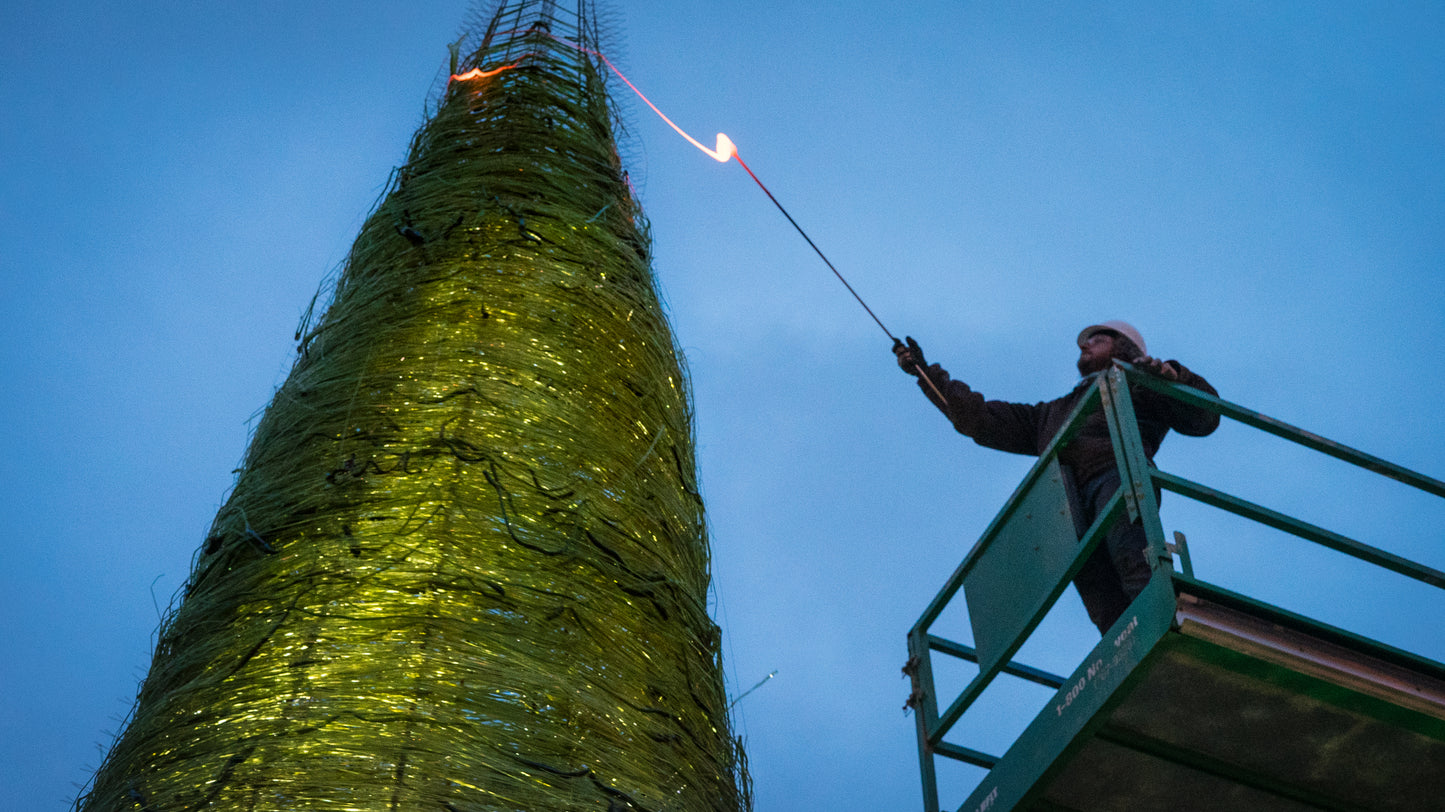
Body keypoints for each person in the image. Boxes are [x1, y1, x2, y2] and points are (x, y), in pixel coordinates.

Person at [893, 321, 1219, 634]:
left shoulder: (1141, 386)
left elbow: (1204, 416)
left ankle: (1163, 625)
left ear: (1124, 349)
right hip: (1068, 508)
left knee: (1134, 564)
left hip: (1118, 477)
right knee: (1102, 604)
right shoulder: (1051, 414)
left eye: (1097, 339)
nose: (1084, 344)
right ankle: (1129, 654)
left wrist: (1174, 377)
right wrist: (924, 373)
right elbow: (977, 419)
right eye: (1084, 342)